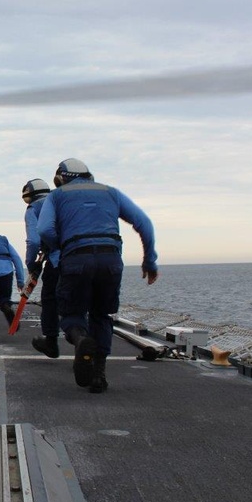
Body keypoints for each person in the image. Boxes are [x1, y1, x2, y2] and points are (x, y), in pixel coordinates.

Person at [37, 158, 158, 394]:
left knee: (71, 312)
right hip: (111, 259)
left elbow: (44, 230)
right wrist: (149, 260)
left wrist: (61, 247)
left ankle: (80, 338)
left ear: (60, 179)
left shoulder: (56, 196)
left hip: (75, 258)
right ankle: (98, 375)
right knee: (102, 315)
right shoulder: (111, 192)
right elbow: (143, 222)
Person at [22, 178, 62, 358]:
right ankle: (82, 340)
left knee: (50, 299)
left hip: (56, 260)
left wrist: (31, 264)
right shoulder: (62, 200)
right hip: (80, 256)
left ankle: (51, 342)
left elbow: (33, 241)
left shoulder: (34, 209)